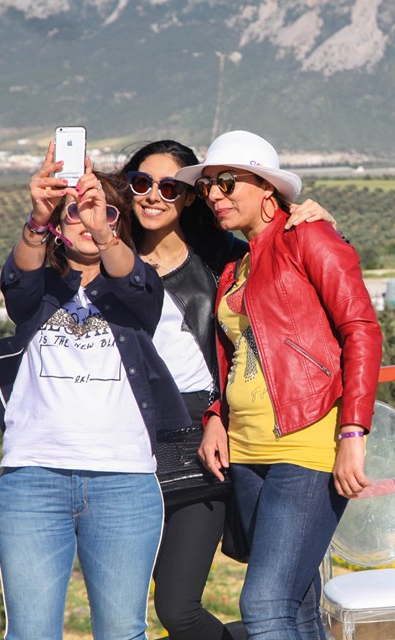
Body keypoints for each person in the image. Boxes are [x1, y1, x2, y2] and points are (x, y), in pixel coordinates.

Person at [0, 144, 190, 639]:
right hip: (33, 479)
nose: (87, 220)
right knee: (31, 632)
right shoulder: (41, 291)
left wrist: (104, 232)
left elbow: (138, 287)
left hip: (124, 482)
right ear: (59, 225)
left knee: (121, 630)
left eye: (104, 211)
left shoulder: (136, 289)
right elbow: (17, 284)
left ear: (119, 224)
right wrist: (37, 219)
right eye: (73, 212)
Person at [118, 139, 336, 639]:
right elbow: (66, 326)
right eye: (141, 183)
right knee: (291, 603)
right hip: (127, 448)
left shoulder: (222, 259)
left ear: (188, 197)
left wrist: (321, 224)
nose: (153, 195)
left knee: (203, 606)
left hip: (209, 442)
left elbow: (308, 286)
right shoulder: (110, 263)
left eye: (170, 187)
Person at [175, 130, 383, 640]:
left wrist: (353, 432)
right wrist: (216, 417)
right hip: (247, 451)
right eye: (207, 186)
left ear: (267, 187)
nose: (215, 194)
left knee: (264, 604)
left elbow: (361, 329)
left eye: (227, 182)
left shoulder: (309, 237)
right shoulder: (237, 263)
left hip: (306, 442)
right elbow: (234, 357)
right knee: (297, 606)